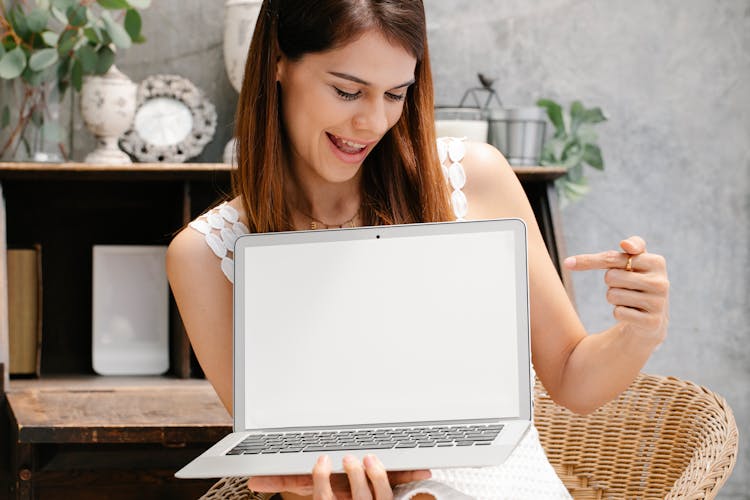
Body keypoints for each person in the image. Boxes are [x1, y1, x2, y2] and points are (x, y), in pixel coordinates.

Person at [166, 1, 670, 498]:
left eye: (395, 94)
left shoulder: (477, 178)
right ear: (278, 60)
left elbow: (572, 378)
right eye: (347, 91)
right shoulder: (205, 255)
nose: (373, 122)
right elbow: (285, 461)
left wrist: (638, 331)